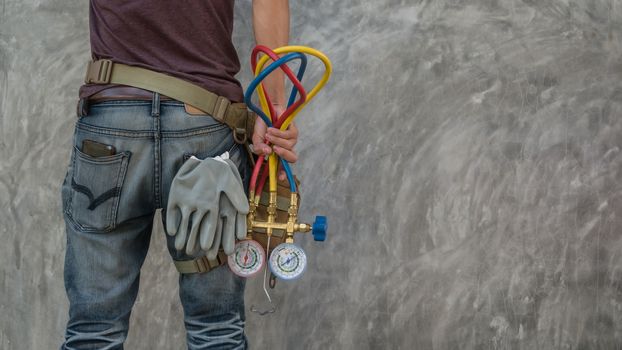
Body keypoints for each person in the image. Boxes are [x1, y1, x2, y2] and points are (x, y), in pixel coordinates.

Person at [59, 1, 298, 349]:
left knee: (94, 331)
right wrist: (274, 107)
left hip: (112, 124)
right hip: (205, 124)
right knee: (216, 330)